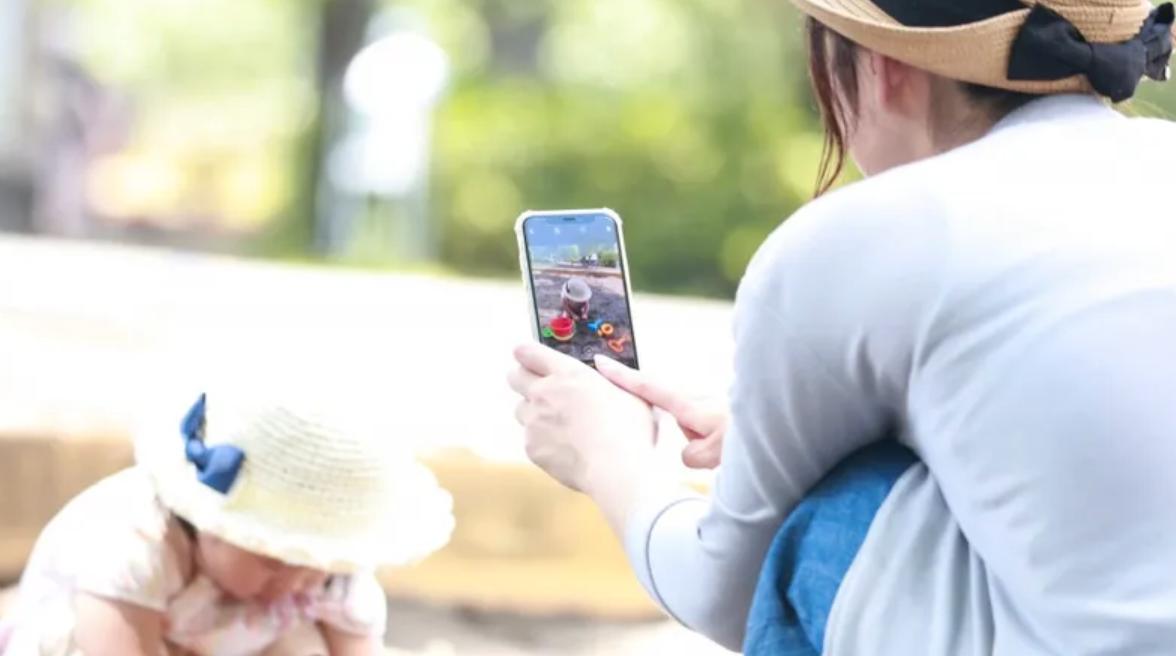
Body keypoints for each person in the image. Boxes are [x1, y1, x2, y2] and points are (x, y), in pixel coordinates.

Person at [508, 0, 1176, 652]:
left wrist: (609, 457)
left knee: (828, 514)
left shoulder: (877, 231)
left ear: (882, 64)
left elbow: (724, 594)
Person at [1, 390, 453, 656]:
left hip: (218, 638)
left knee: (304, 643)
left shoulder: (332, 574)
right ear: (210, 522)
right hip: (103, 634)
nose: (294, 582)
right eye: (273, 560)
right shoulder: (134, 542)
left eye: (314, 563)